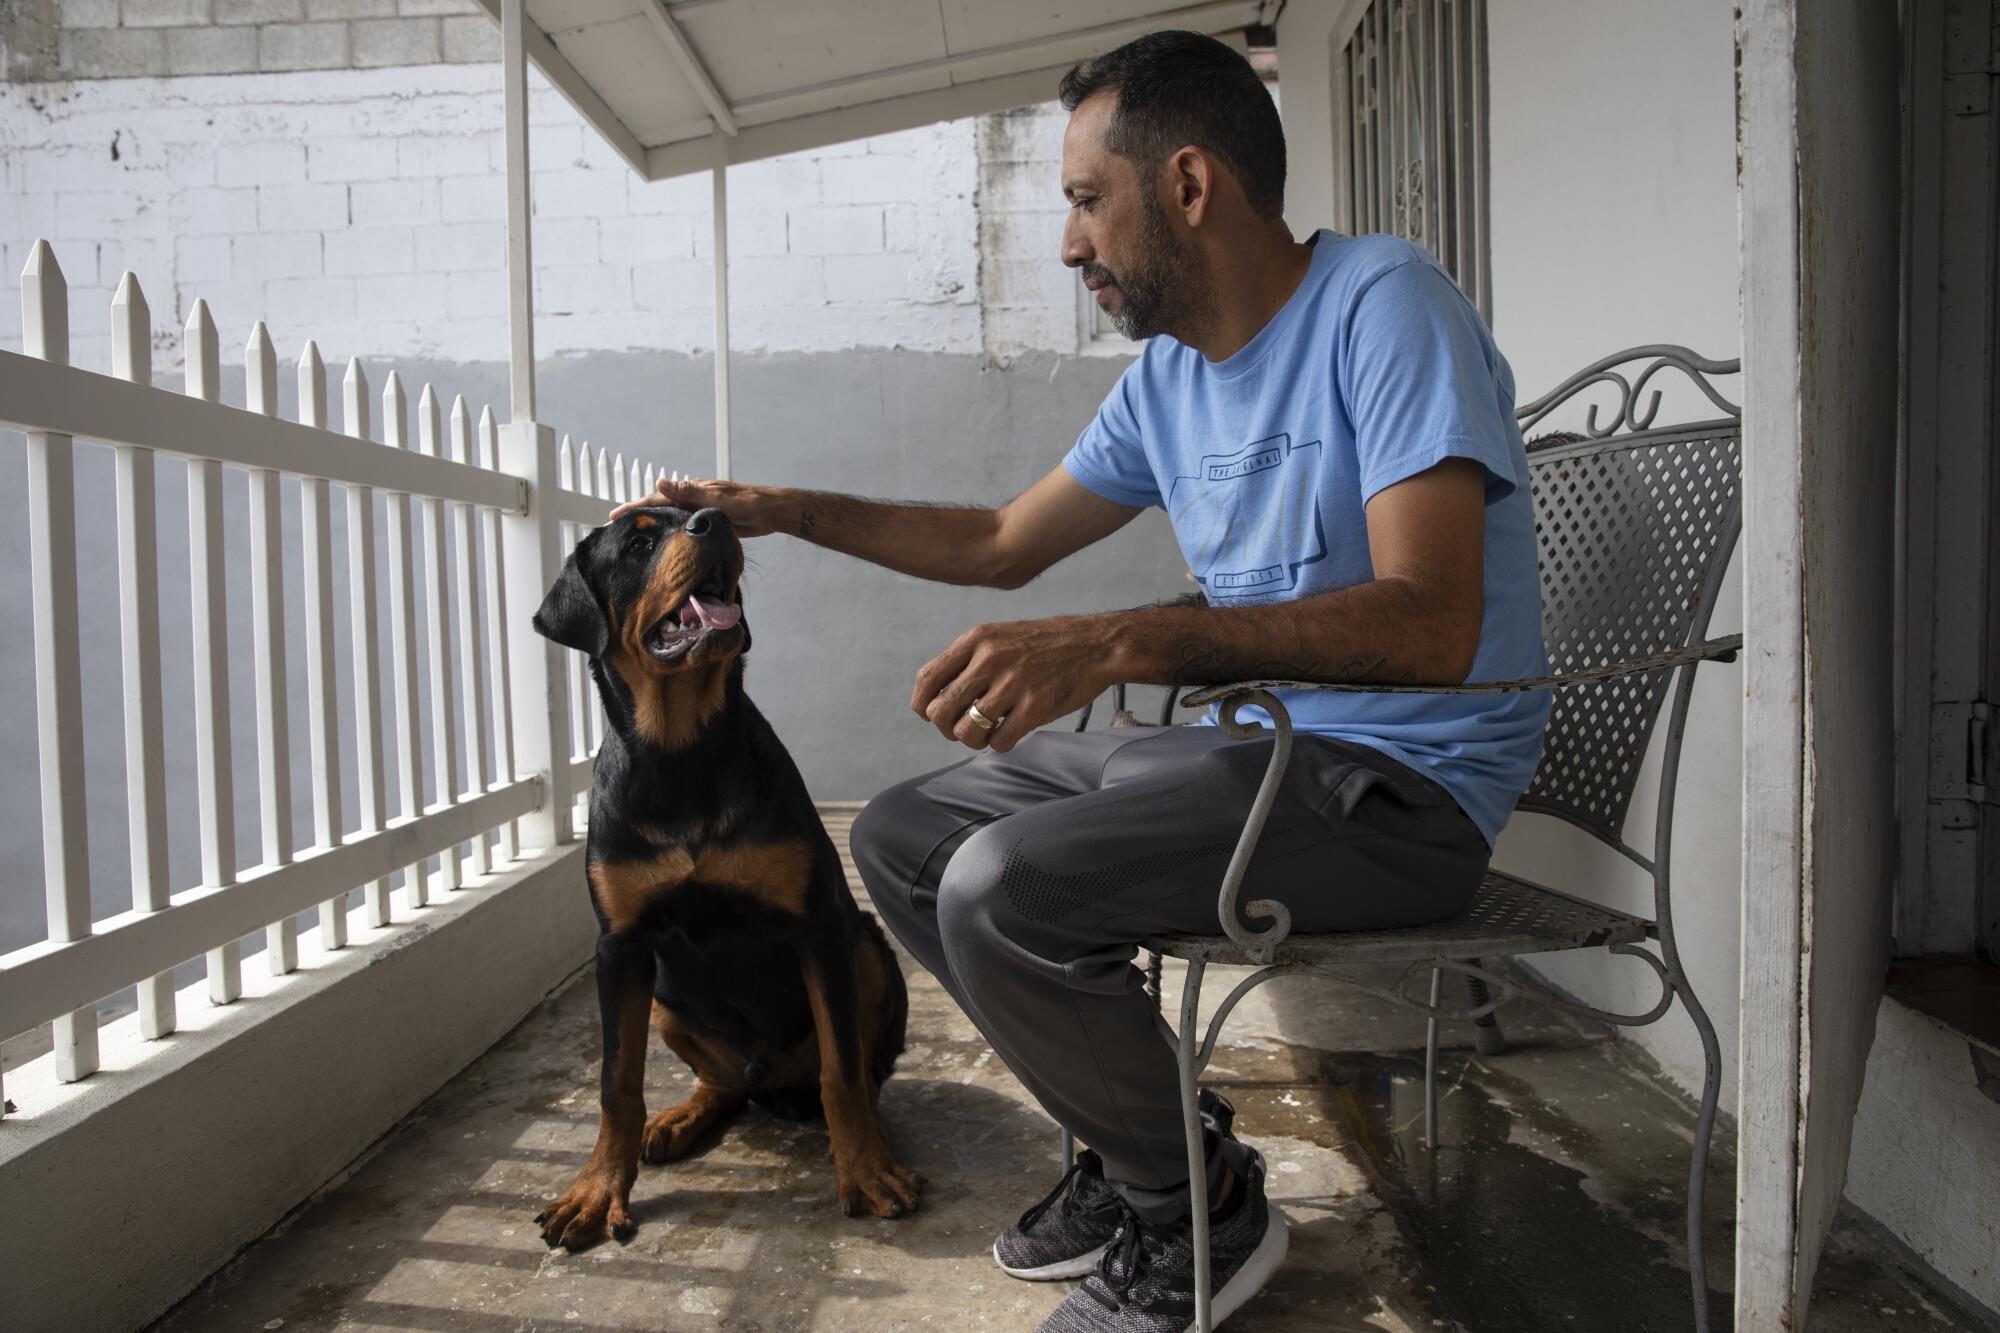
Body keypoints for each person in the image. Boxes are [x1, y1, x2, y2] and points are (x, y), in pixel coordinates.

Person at [613, 28, 1548, 1331]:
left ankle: (1196, 1215)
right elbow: (1000, 544)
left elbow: (1435, 623)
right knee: (905, 835)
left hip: (1398, 788)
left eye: (1083, 199)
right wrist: (779, 508)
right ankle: (1156, 1143)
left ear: (1187, 184)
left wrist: (1121, 642)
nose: (1068, 245)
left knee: (1008, 885)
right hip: (1256, 754)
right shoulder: (1169, 380)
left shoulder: (1382, 304)